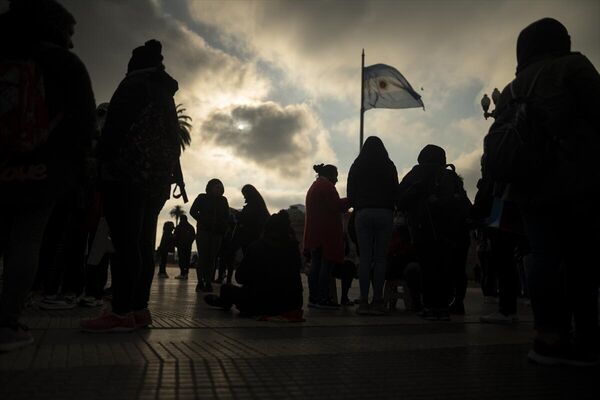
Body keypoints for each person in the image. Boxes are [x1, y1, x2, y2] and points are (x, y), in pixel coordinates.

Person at [493, 18, 600, 366]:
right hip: (576, 179)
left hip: (527, 187)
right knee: (581, 258)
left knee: (543, 256)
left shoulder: (512, 88)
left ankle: (547, 337)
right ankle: (586, 337)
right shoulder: (573, 66)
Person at [0, 0, 96, 350]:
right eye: (69, 33)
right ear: (54, 28)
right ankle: (6, 323)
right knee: (26, 241)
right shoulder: (65, 63)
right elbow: (85, 124)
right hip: (40, 172)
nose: (72, 42)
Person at [82, 39, 187, 332]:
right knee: (141, 243)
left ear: (134, 64)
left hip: (125, 177)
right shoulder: (165, 94)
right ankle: (139, 309)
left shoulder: (132, 87)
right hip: (155, 182)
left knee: (124, 244)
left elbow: (113, 132)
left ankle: (120, 311)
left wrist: (98, 162)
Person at [396, 144, 471, 321]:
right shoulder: (451, 176)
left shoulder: (417, 173)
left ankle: (431, 307)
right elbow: (465, 205)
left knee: (428, 268)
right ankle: (446, 306)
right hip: (451, 232)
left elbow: (400, 200)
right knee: (448, 269)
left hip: (424, 229)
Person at [204, 210, 303, 319]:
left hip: (260, 304)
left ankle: (224, 302)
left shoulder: (257, 247)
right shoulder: (293, 249)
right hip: (291, 304)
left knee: (227, 289)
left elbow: (240, 277)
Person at [347, 136, 398, 315]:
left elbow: (350, 191)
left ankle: (363, 301)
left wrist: (357, 204)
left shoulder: (357, 165)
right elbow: (395, 189)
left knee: (365, 258)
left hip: (363, 212)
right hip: (385, 212)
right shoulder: (389, 165)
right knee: (380, 258)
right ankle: (378, 300)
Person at [304, 164, 349, 309]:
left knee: (316, 265)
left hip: (315, 232)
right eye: (336, 175)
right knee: (325, 266)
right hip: (326, 233)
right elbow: (336, 205)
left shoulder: (315, 186)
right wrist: (351, 200)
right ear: (330, 175)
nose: (337, 179)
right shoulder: (327, 187)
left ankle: (314, 297)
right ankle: (323, 297)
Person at [190, 178, 230, 293]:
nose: (219, 189)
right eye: (217, 187)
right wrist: (203, 220)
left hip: (217, 233)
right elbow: (193, 211)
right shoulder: (202, 198)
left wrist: (223, 227)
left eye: (221, 187)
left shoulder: (223, 200)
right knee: (203, 257)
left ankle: (208, 282)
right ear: (210, 188)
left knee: (212, 258)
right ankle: (200, 282)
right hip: (203, 231)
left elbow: (226, 216)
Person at [233, 184, 270, 255]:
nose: (244, 197)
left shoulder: (253, 205)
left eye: (244, 194)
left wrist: (237, 214)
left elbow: (247, 219)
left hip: (250, 237)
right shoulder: (258, 204)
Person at [174, 215, 195, 280]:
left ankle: (183, 273)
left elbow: (175, 236)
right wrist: (189, 243)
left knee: (182, 260)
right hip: (187, 247)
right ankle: (185, 274)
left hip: (181, 246)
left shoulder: (179, 227)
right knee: (186, 260)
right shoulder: (191, 227)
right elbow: (193, 236)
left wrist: (176, 244)